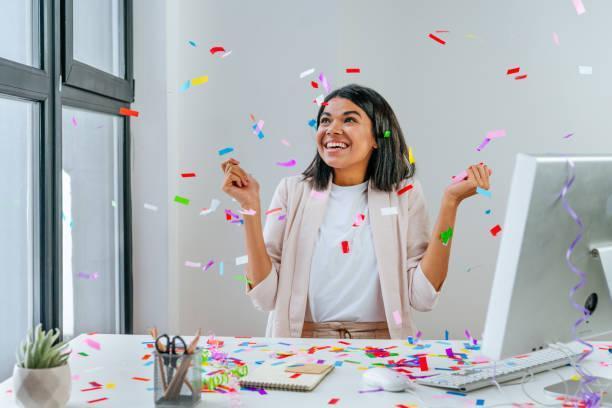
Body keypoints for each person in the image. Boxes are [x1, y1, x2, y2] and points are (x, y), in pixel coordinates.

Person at [220, 84, 492, 339]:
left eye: (349, 120)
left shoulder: (404, 194)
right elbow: (264, 297)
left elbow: (422, 296)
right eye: (325, 120)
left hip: (382, 344)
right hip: (302, 343)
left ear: (377, 136)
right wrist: (249, 207)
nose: (332, 129)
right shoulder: (292, 191)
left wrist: (450, 204)